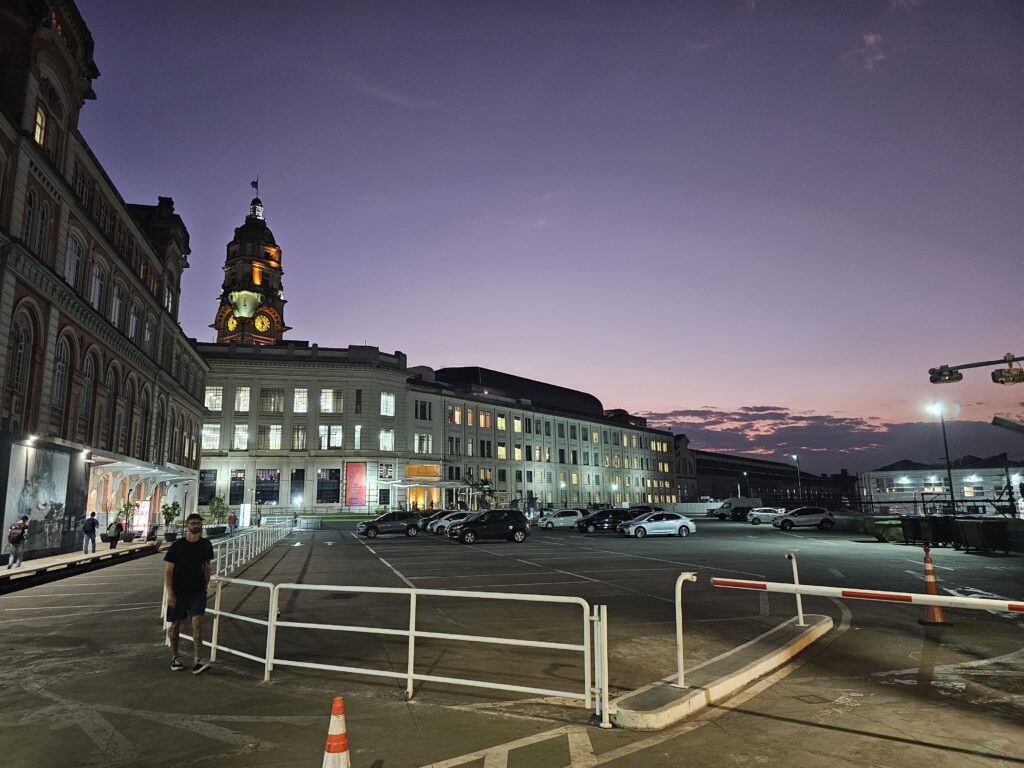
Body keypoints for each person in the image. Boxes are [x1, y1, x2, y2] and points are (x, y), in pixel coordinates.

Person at [164, 513, 214, 674]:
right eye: (193, 523)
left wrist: (206, 585)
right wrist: (170, 593)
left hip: (197, 591)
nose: (196, 525)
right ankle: (175, 656)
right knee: (176, 624)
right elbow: (169, 572)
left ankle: (198, 660)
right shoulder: (178, 545)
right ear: (187, 525)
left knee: (197, 622)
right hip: (178, 591)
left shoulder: (206, 545)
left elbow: (207, 566)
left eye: (198, 523)